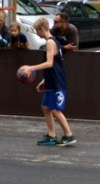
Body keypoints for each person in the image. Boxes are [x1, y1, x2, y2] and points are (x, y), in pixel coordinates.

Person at [20, 18, 76, 147]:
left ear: (41, 29)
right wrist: (44, 80)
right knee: (45, 107)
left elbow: (49, 63)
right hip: (51, 80)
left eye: (37, 31)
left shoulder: (51, 42)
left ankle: (69, 135)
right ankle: (51, 135)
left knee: (55, 109)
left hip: (56, 81)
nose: (37, 33)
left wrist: (30, 68)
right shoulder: (52, 41)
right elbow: (55, 64)